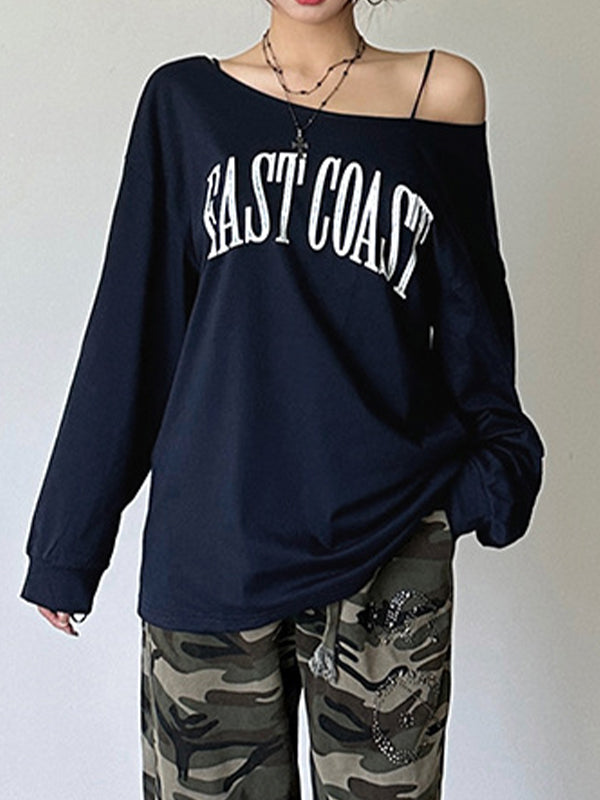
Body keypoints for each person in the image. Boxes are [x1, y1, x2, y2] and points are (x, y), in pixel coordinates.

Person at [19, 0, 546, 797]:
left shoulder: (439, 93)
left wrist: (491, 480)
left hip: (388, 547)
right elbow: (135, 325)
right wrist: (68, 542)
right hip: (211, 549)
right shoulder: (183, 102)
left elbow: (473, 312)